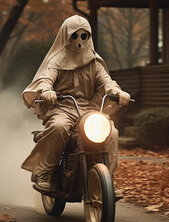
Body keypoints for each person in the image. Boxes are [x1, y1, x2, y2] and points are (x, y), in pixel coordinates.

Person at [21, 15, 130, 194]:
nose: (79, 41)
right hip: (62, 108)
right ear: (66, 36)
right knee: (59, 127)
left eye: (83, 36)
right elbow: (46, 79)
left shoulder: (95, 62)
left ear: (89, 37)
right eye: (74, 36)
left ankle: (108, 180)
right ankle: (45, 173)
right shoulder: (56, 61)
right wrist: (47, 91)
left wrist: (117, 92)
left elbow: (106, 82)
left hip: (88, 110)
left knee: (111, 131)